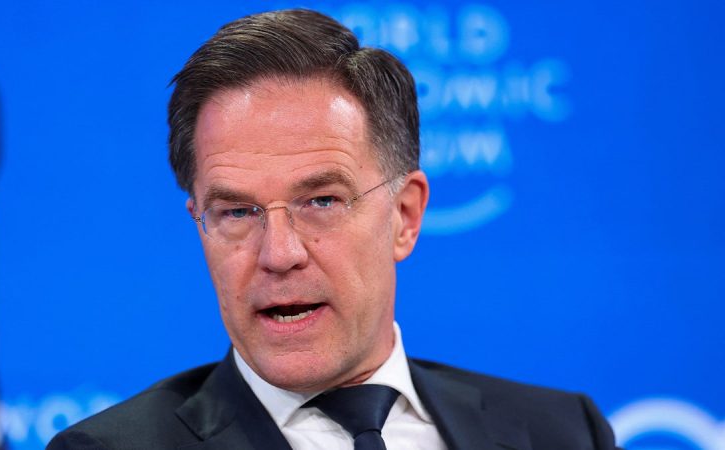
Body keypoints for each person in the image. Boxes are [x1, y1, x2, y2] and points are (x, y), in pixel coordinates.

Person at [48, 8, 619, 450]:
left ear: (404, 216)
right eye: (237, 212)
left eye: (322, 200)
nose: (279, 254)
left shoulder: (563, 432)